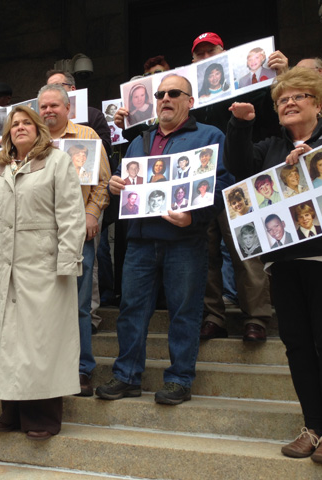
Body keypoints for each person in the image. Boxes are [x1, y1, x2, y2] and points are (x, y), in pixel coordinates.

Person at [97, 73, 229, 406]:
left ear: (190, 101)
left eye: (174, 93)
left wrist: (193, 216)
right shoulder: (138, 141)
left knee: (184, 312)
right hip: (140, 241)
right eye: (160, 94)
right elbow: (125, 183)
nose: (165, 99)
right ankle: (126, 376)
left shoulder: (209, 135)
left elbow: (223, 187)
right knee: (131, 311)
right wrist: (115, 186)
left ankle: (180, 379)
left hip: (186, 240)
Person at [224, 66, 322, 463]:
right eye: (283, 99)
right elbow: (237, 167)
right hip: (281, 261)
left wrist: (312, 165)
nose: (289, 102)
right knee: (298, 344)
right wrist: (239, 124)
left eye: (298, 96)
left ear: (318, 104)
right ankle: (313, 426)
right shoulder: (268, 147)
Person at [0, 105, 86, 440]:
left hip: (44, 268)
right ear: (7, 134)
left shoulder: (57, 161)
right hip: (2, 268)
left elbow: (71, 214)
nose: (20, 128)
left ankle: (43, 415)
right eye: (14, 124)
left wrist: (68, 261)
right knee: (6, 341)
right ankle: (10, 410)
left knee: (40, 343)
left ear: (38, 129)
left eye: (26, 123)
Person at [189, 31, 277, 343]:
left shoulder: (249, 85)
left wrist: (278, 77)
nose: (206, 59)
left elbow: (273, 117)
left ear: (225, 54)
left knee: (247, 248)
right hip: (203, 184)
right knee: (206, 251)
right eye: (199, 55)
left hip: (241, 179)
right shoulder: (189, 97)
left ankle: (256, 317)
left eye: (211, 53)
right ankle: (214, 317)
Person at [38, 83, 110, 397]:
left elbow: (103, 181)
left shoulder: (87, 137)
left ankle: (81, 370)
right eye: (44, 107)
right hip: (37, 236)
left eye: (55, 105)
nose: (49, 111)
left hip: (76, 235)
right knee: (41, 306)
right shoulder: (29, 139)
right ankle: (47, 369)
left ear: (68, 109)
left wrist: (92, 214)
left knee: (79, 307)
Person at [46, 71, 112, 156]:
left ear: (72, 89)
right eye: (49, 88)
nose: (53, 91)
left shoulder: (93, 115)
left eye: (57, 86)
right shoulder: (46, 119)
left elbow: (105, 148)